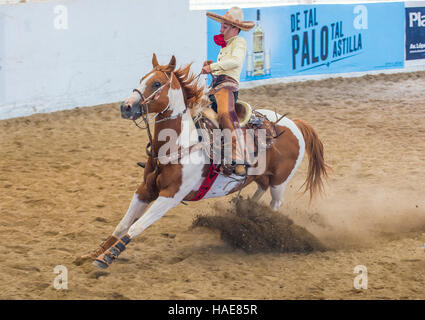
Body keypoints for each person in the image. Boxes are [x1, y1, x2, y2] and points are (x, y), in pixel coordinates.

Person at [202, 7, 254, 176]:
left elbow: (235, 62)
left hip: (227, 88)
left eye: (224, 27)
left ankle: (238, 158)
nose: (221, 29)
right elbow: (226, 66)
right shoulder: (228, 45)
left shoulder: (239, 42)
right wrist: (212, 69)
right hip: (216, 87)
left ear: (234, 28)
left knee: (225, 114)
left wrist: (213, 67)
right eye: (222, 26)